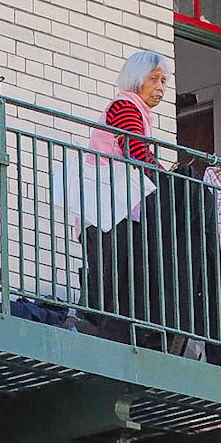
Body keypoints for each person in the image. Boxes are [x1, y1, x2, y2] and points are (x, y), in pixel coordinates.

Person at [82, 50, 171, 344]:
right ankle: (111, 334)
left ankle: (115, 331)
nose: (160, 87)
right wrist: (169, 179)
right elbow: (136, 152)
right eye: (154, 79)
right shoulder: (125, 106)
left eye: (163, 81)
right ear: (136, 79)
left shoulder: (136, 110)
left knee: (117, 276)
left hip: (112, 208)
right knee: (115, 276)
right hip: (108, 209)